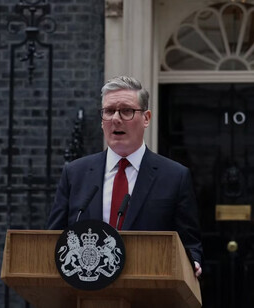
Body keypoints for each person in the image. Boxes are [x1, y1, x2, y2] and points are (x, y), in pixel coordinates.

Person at [47, 76, 203, 277]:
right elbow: (52, 239)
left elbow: (189, 243)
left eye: (126, 111)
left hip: (148, 287)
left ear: (146, 118)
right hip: (86, 291)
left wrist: (194, 262)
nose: (116, 118)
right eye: (109, 111)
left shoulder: (175, 176)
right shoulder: (75, 173)